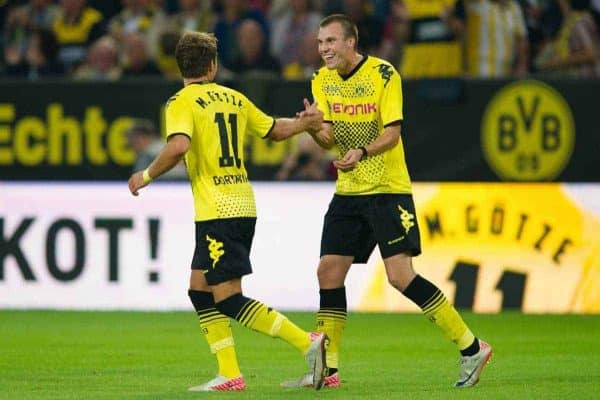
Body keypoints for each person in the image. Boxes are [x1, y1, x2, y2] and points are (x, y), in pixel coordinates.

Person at [281, 14, 492, 389]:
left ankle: (471, 347)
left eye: (330, 41)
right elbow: (328, 139)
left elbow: (392, 134)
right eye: (319, 43)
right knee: (328, 271)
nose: (324, 49)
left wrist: (361, 150)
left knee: (399, 276)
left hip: (387, 189)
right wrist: (314, 127)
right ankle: (327, 371)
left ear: (350, 42)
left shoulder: (383, 74)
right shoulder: (322, 80)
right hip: (349, 191)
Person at [127, 31, 328, 392]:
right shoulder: (233, 97)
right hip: (236, 204)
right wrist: (306, 123)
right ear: (213, 65)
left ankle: (307, 341)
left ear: (180, 66)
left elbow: (178, 146)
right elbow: (274, 130)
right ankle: (229, 373)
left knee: (230, 299)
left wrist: (145, 174)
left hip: (219, 209)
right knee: (199, 290)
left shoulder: (180, 101)